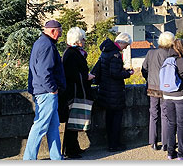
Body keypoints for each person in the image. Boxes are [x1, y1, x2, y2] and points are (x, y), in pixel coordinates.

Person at [24, 20, 66, 160]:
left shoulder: (40, 43)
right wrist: (52, 89)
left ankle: (56, 157)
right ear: (53, 31)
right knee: (41, 125)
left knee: (53, 126)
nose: (60, 35)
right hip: (46, 92)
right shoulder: (47, 45)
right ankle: (29, 159)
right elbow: (44, 72)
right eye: (59, 32)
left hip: (41, 90)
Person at [91, 32, 134, 152]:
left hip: (105, 89)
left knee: (109, 119)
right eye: (126, 45)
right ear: (121, 42)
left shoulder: (106, 51)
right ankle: (114, 144)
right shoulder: (115, 54)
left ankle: (111, 143)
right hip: (114, 91)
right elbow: (115, 73)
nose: (126, 48)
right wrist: (128, 73)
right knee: (116, 120)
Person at [59, 27, 95, 158]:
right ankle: (70, 150)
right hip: (74, 93)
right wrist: (86, 77)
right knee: (72, 124)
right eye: (82, 39)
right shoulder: (71, 54)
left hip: (76, 92)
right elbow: (72, 74)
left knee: (75, 123)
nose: (84, 41)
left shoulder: (73, 53)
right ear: (78, 40)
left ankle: (75, 147)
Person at [141, 31, 175, 151]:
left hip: (152, 87)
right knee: (165, 115)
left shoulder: (150, 53)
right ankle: (165, 143)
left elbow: (144, 69)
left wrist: (149, 79)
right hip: (166, 88)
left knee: (153, 114)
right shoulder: (171, 54)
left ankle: (153, 142)